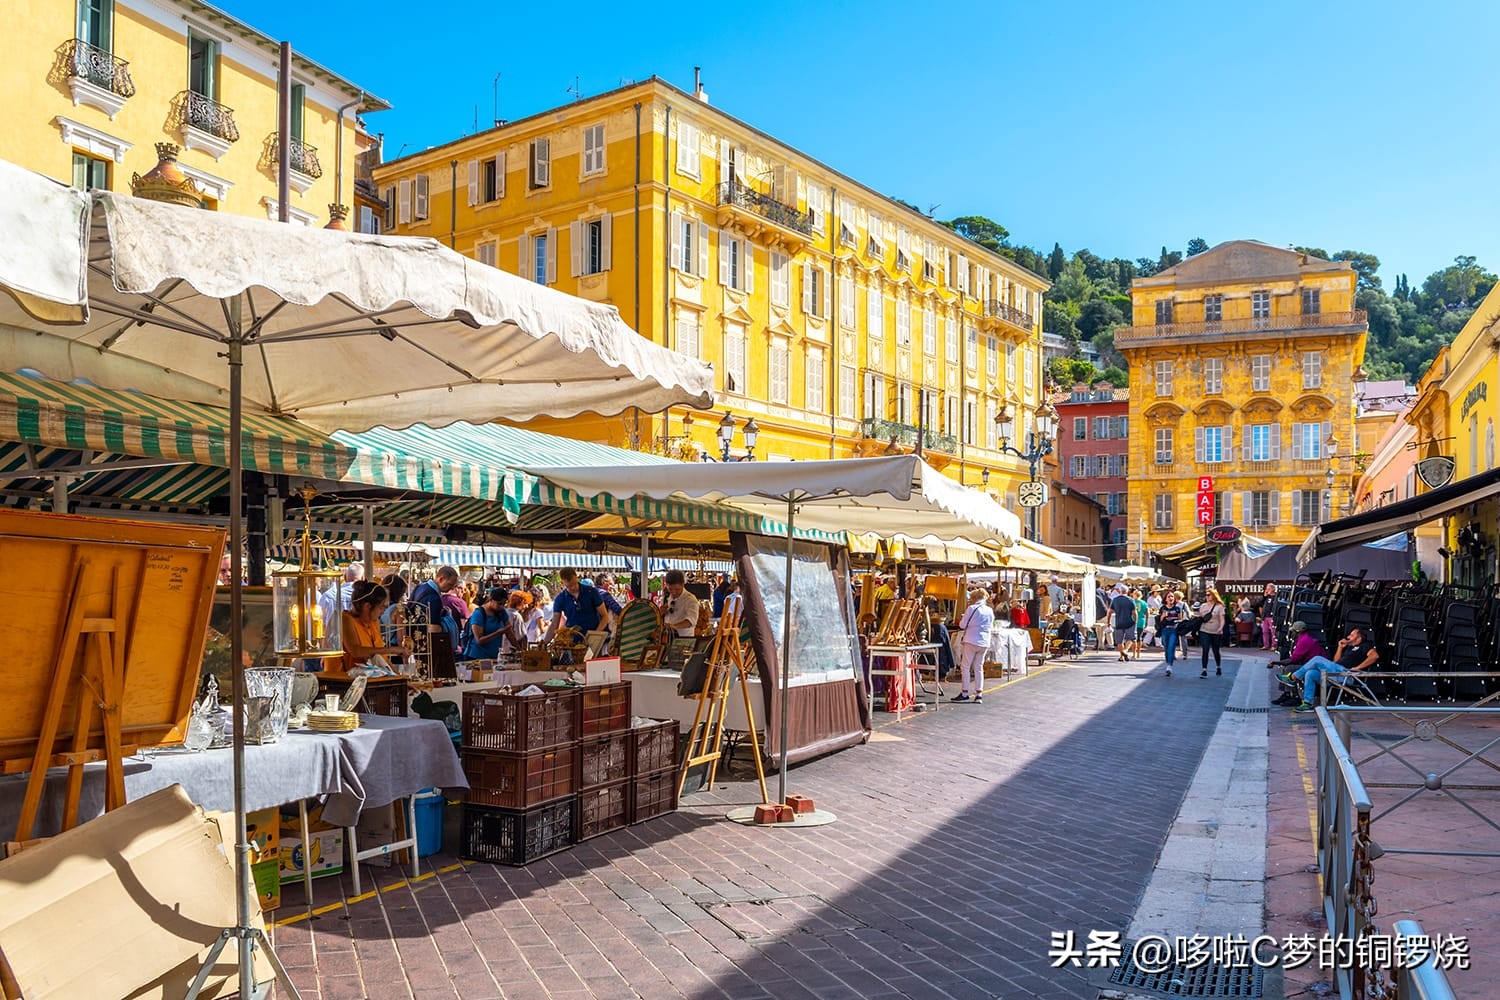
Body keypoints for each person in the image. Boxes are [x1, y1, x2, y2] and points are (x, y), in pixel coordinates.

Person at [1282, 627, 1379, 712]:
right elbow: (1335, 662)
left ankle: (1293, 677)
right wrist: (1340, 648)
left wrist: (1358, 668)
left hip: (1348, 675)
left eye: (1352, 635)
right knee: (1310, 673)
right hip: (1337, 673)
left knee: (1317, 659)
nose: (1348, 636)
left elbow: (1374, 656)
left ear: (1359, 638)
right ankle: (1308, 703)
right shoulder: (1349, 647)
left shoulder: (1365, 646)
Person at [340, 581, 408, 671]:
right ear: (367, 606)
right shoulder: (346, 619)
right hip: (345, 679)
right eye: (381, 607)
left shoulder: (374, 622)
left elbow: (382, 657)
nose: (383, 611)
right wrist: (392, 650)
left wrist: (399, 677)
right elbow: (356, 651)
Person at [411, 566, 461, 679]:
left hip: (415, 641)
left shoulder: (420, 587)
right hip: (426, 646)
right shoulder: (434, 598)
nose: (450, 588)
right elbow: (434, 629)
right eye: (449, 584)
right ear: (440, 578)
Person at [1269, 621, 1329, 705]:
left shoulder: (1305, 640)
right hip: (1309, 664)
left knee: (1289, 668)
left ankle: (1294, 696)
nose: (1292, 633)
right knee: (1289, 667)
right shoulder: (1304, 639)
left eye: (1293, 631)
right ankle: (1287, 693)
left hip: (1316, 667)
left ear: (1297, 631)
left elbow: (1293, 659)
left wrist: (1275, 662)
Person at [545, 567, 612, 641]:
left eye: (574, 583)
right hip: (571, 641)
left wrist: (595, 635)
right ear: (562, 582)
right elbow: (554, 624)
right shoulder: (560, 599)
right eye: (569, 586)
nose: (573, 588)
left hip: (592, 638)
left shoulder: (591, 592)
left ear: (576, 577)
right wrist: (544, 643)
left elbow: (605, 617)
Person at [952, 588, 993, 704]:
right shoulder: (989, 610)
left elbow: (962, 625)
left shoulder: (971, 609)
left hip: (971, 640)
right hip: (984, 641)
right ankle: (979, 694)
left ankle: (965, 693)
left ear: (974, 598)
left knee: (965, 667)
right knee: (978, 667)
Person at [463, 587, 521, 660]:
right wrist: (498, 632)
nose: (502, 607)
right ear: (491, 600)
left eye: (504, 604)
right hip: (476, 656)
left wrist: (520, 651)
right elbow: (479, 640)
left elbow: (509, 633)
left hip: (493, 657)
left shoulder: (502, 612)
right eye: (499, 603)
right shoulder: (479, 614)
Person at [661, 569, 701, 637]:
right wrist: (661, 613)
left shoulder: (690, 600)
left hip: (684, 640)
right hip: (667, 639)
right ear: (666, 585)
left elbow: (691, 621)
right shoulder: (667, 597)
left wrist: (673, 626)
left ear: (682, 584)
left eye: (677, 589)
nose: (674, 592)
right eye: (670, 589)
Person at [1199, 589, 1227, 678]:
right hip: (1204, 630)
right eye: (1206, 595)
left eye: (1209, 595)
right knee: (1205, 649)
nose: (1207, 597)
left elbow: (1222, 620)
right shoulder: (1203, 606)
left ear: (1214, 596)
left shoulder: (1219, 607)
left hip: (1216, 631)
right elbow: (1201, 618)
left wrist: (1220, 628)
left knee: (1216, 650)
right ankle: (1204, 670)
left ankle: (1218, 666)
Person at [1157, 590, 1185, 677]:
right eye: (1169, 596)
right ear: (1165, 599)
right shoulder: (1163, 608)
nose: (1171, 598)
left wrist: (1177, 621)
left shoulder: (1177, 608)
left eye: (1172, 596)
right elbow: (1160, 621)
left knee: (1171, 646)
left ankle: (1169, 666)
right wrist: (1163, 616)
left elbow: (1180, 620)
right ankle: (1168, 662)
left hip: (1173, 629)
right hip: (1165, 629)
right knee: (1166, 646)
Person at [1109, 586, 1137, 662]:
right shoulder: (1131, 600)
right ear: (1127, 591)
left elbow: (1109, 612)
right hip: (1129, 622)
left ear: (1120, 591)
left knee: (1119, 641)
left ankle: (1121, 656)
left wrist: (1108, 622)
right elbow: (1134, 613)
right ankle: (1125, 651)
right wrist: (1135, 621)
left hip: (1119, 622)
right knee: (1130, 638)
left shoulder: (1115, 600)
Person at [379, 573, 408, 647]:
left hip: (382, 646)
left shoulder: (379, 608)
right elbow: (401, 638)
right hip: (394, 650)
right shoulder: (398, 609)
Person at [1259, 583, 1282, 650]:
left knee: (1273, 631)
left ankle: (1274, 645)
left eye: (1268, 589)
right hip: (1265, 616)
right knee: (1264, 631)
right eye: (1266, 588)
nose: (1267, 590)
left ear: (1272, 589)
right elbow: (1260, 604)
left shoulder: (1276, 597)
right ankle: (1266, 645)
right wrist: (1264, 596)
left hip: (1271, 616)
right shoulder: (1266, 597)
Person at [1133, 588, 1150, 658]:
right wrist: (1147, 621)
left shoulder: (1132, 602)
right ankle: (1138, 653)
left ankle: (1134, 653)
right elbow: (1147, 613)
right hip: (1142, 621)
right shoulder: (1144, 603)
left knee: (1133, 638)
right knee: (1139, 637)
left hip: (1133, 620)